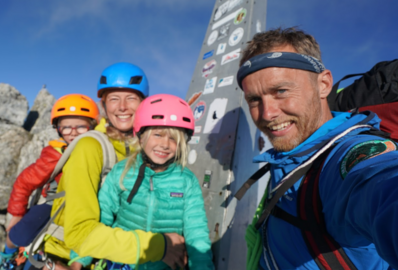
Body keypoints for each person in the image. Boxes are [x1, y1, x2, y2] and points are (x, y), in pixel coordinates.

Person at [236, 27, 398, 269]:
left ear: (323, 85)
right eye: (254, 99)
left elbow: (379, 183)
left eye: (281, 91)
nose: (267, 113)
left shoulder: (349, 154)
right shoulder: (290, 156)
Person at [42, 63, 188, 270]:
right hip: (68, 257)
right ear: (103, 106)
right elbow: (79, 233)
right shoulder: (90, 147)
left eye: (131, 98)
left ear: (144, 104)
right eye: (113, 99)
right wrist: (161, 247)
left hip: (113, 256)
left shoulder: (147, 147)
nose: (122, 107)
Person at [73, 94, 214, 270]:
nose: (165, 144)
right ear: (140, 135)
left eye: (173, 139)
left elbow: (196, 232)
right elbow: (103, 217)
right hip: (119, 262)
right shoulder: (123, 171)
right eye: (157, 134)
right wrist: (79, 259)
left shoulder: (186, 181)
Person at [0, 94, 99, 270]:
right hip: (54, 204)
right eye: (66, 127)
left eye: (81, 126)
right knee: (19, 235)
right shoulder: (56, 154)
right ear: (58, 129)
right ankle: (8, 256)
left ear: (92, 126)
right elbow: (24, 182)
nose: (73, 132)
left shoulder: (97, 151)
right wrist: (17, 214)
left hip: (84, 205)